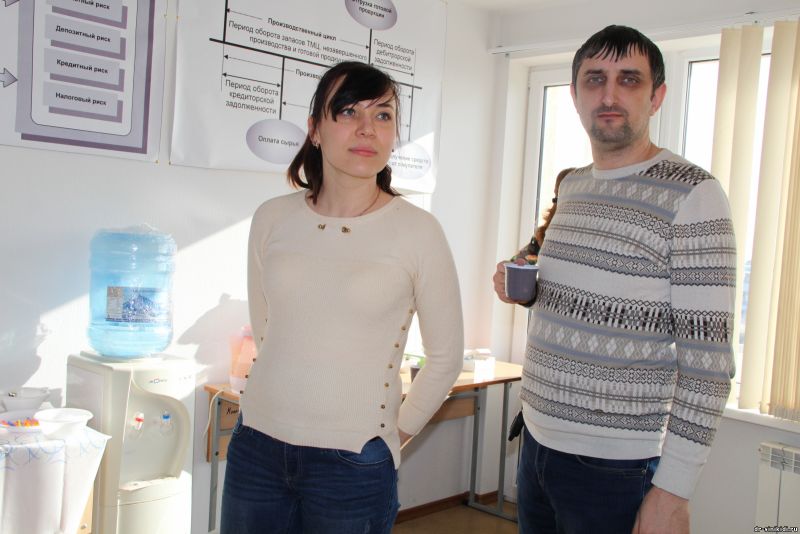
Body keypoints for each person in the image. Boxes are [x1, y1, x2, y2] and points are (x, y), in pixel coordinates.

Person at [493, 25, 736, 534]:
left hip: (615, 467)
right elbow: (582, 297)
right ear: (575, 95)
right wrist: (528, 292)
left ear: (657, 96)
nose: (608, 95)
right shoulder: (574, 186)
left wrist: (673, 492)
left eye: (628, 79)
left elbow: (708, 365)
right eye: (594, 79)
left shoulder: (694, 194)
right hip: (536, 442)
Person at [221, 61, 464, 533]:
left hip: (353, 461)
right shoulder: (272, 218)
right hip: (257, 446)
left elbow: (445, 358)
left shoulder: (418, 231)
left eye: (383, 115)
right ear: (315, 130)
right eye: (349, 111)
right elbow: (268, 331)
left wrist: (390, 438)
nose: (367, 128)